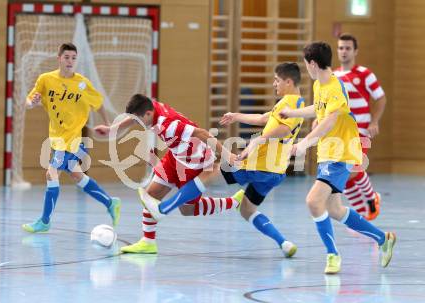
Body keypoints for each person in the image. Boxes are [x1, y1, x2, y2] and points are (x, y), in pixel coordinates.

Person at [137, 62, 306, 258]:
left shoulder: (290, 103)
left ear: (288, 81)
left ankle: (163, 209)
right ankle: (284, 243)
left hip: (259, 163)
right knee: (247, 209)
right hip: (276, 172)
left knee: (208, 174)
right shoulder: (291, 104)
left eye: (277, 80)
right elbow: (263, 119)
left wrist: (258, 141)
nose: (274, 84)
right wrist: (236, 116)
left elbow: (283, 130)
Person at [280, 41, 395, 274]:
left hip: (340, 152)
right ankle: (384, 239)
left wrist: (304, 143)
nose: (306, 68)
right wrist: (292, 112)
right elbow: (318, 110)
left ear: (312, 63)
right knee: (334, 209)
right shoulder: (319, 84)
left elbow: (330, 120)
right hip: (327, 152)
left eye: (305, 64)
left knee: (313, 202)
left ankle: (332, 255)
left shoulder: (335, 86)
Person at [95, 94, 238, 254]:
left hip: (195, 161)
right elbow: (134, 118)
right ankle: (148, 242)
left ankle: (234, 202)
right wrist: (111, 130)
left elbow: (202, 133)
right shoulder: (150, 107)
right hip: (176, 155)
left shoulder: (167, 124)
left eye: (139, 120)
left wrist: (226, 154)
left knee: (187, 210)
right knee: (150, 195)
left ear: (148, 114)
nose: (138, 124)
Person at [22, 43, 121, 233]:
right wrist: (31, 103)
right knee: (77, 175)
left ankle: (44, 221)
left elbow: (98, 103)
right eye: (66, 57)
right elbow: (29, 101)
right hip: (57, 138)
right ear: (59, 58)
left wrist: (107, 124)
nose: (70, 61)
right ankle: (110, 203)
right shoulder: (46, 80)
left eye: (73, 58)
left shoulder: (82, 83)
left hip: (72, 139)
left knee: (51, 173)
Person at [334, 33, 387, 220]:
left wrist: (374, 121)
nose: (344, 51)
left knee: (355, 168)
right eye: (341, 48)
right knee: (344, 175)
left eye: (348, 48)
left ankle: (372, 197)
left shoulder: (365, 74)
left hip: (361, 130)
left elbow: (380, 98)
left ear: (355, 51)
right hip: (341, 133)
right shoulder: (333, 76)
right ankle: (363, 212)